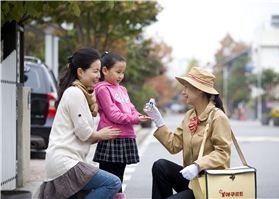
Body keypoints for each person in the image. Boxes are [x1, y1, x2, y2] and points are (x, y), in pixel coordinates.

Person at [39, 48, 122, 199]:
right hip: (65, 162)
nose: (99, 76)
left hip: (68, 161)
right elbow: (84, 133)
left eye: (99, 71)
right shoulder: (75, 93)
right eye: (95, 71)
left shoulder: (83, 94)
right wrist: (101, 135)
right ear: (80, 72)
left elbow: (83, 133)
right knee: (113, 183)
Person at [143, 67, 232, 199]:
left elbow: (223, 153)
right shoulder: (189, 116)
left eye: (186, 87)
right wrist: (158, 121)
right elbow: (174, 146)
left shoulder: (218, 117)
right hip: (193, 181)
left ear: (199, 90)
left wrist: (198, 166)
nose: (183, 92)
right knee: (160, 166)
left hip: (210, 185)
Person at [93, 52, 151, 199]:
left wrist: (139, 115)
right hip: (112, 137)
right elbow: (113, 114)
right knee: (110, 179)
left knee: (119, 177)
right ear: (105, 70)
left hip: (125, 137)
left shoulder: (122, 89)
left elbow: (130, 108)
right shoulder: (102, 89)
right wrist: (135, 119)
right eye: (117, 72)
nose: (120, 76)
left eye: (122, 73)